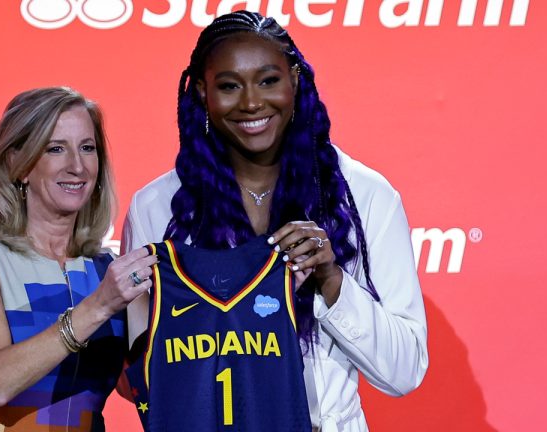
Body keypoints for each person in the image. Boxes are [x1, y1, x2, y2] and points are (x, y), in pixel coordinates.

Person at [121, 11, 428, 432]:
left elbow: (405, 370)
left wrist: (332, 281)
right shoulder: (157, 207)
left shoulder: (365, 195)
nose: (251, 102)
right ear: (200, 92)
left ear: (296, 79)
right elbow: (143, 373)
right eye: (229, 86)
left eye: (268, 80)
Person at [0, 87, 157, 431]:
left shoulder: (106, 269)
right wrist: (99, 306)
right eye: (55, 149)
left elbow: (137, 388)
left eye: (87, 148)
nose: (77, 166)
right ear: (19, 164)